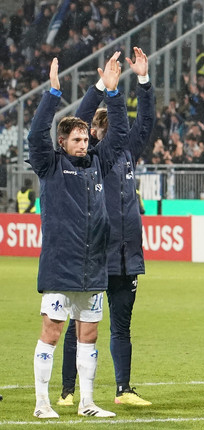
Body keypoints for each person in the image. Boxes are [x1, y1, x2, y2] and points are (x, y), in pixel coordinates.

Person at [28, 54, 128, 418]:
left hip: (92, 267)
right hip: (61, 266)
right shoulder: (50, 164)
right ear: (62, 142)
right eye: (77, 138)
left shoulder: (99, 163)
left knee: (89, 336)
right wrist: (52, 93)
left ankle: (87, 402)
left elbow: (119, 135)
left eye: (86, 138)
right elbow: (35, 133)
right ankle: (42, 403)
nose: (84, 143)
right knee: (52, 334)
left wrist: (114, 95)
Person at [59, 47, 156, 408]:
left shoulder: (127, 152)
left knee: (122, 325)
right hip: (97, 252)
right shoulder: (90, 159)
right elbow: (77, 120)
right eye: (105, 126)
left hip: (127, 252)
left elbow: (146, 122)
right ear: (95, 132)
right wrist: (104, 87)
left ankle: (123, 390)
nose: (116, 130)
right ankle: (68, 391)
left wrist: (143, 82)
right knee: (79, 324)